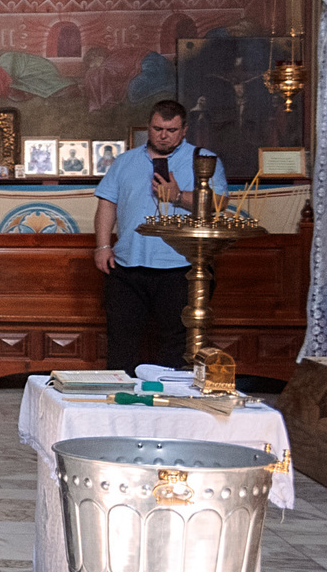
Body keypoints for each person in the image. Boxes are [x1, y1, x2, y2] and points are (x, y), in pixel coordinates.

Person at [94, 98, 229, 371]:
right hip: (127, 265)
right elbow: (107, 203)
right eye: (157, 129)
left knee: (175, 343)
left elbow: (218, 204)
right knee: (121, 340)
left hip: (180, 267)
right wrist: (102, 246)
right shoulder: (125, 161)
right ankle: (120, 394)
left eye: (171, 130)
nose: (163, 136)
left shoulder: (203, 160)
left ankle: (169, 395)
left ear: (184, 130)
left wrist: (177, 196)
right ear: (149, 127)